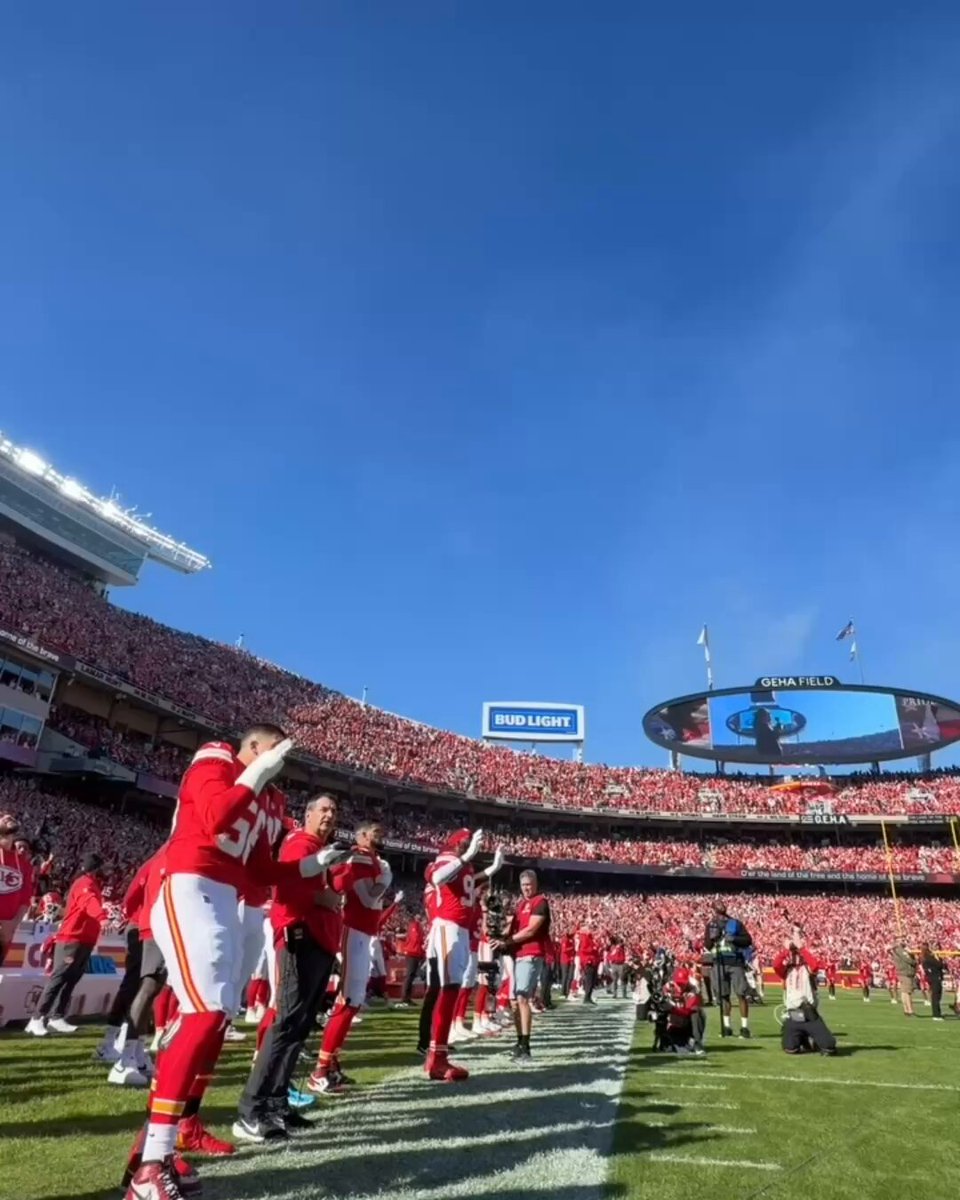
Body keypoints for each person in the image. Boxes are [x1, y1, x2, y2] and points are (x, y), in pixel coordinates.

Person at [122, 726, 339, 1200]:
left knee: (213, 1017)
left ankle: (149, 1150)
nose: (283, 764)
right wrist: (259, 772)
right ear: (257, 748)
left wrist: (313, 862)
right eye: (275, 753)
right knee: (203, 1014)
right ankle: (150, 1166)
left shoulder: (268, 798)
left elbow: (261, 871)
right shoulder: (217, 758)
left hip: (224, 896)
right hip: (187, 883)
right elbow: (218, 815)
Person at [234, 793, 347, 1141]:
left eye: (334, 809)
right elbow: (288, 887)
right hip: (300, 939)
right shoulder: (300, 842)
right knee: (285, 1023)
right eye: (324, 809)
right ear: (308, 813)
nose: (330, 815)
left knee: (298, 1027)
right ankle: (251, 1109)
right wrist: (322, 898)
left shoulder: (319, 848)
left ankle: (277, 1103)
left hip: (319, 943)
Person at [308, 820, 394, 1094]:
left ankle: (331, 1063)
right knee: (348, 1000)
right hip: (353, 929)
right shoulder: (360, 855)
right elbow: (369, 898)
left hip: (362, 931)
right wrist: (385, 879)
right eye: (376, 833)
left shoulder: (370, 857)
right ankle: (320, 1070)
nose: (381, 836)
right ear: (363, 835)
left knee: (353, 1001)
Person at [422, 829, 503, 1081]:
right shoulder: (446, 858)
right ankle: (436, 1058)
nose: (468, 846)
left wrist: (493, 868)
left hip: (458, 931)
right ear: (456, 844)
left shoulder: (463, 867)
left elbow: (471, 879)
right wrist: (466, 856)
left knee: (451, 991)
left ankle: (439, 1055)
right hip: (447, 927)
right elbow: (437, 876)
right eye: (465, 843)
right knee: (447, 992)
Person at [27, 852, 106, 1036]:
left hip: (84, 939)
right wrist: (102, 918)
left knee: (71, 979)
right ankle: (37, 1018)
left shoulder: (90, 884)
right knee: (59, 977)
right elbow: (89, 903)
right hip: (72, 938)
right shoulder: (84, 884)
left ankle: (56, 1016)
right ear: (97, 869)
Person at [493, 869, 550, 1061]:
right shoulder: (520, 904)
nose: (527, 888)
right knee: (515, 1001)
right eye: (524, 885)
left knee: (522, 997)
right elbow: (512, 929)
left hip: (532, 953)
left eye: (529, 884)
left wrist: (506, 942)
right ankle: (519, 1042)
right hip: (519, 955)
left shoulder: (540, 902)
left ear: (536, 884)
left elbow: (531, 931)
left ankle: (526, 1046)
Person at [773, 933, 836, 1055]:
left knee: (829, 1047)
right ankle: (802, 1039)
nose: (795, 955)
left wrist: (801, 948)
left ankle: (816, 1038)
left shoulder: (808, 968)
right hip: (794, 1014)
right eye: (794, 953)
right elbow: (776, 964)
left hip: (809, 1014)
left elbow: (815, 965)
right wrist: (786, 950)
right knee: (790, 1048)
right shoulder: (787, 970)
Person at [704, 900, 753, 1038]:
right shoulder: (711, 925)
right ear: (713, 908)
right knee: (723, 996)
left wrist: (735, 939)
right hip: (719, 962)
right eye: (717, 904)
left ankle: (744, 1027)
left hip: (735, 962)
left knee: (741, 994)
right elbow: (707, 945)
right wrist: (713, 938)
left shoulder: (735, 923)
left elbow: (748, 940)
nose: (721, 906)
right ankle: (726, 1026)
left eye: (722, 904)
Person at [0, 814, 34, 966]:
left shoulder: (24, 865)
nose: (8, 816)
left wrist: (13, 924)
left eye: (10, 816)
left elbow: (25, 899)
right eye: (2, 816)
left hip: (5, 932)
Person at [661, 967, 706, 1056]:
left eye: (682, 983)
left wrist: (690, 996)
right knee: (660, 1013)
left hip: (686, 1023)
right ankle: (664, 1041)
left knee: (697, 1012)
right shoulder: (667, 989)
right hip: (673, 1025)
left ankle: (697, 1042)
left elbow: (692, 1009)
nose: (680, 986)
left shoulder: (693, 990)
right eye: (678, 983)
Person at [397, 911, 426, 1007]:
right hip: (412, 952)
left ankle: (407, 998)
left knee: (412, 975)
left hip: (416, 953)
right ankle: (404, 997)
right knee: (409, 975)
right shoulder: (414, 925)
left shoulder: (418, 926)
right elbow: (415, 938)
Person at [919, 943, 946, 1022]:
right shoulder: (929, 957)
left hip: (933, 978)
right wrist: (937, 957)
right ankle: (936, 1014)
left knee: (936, 996)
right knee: (936, 997)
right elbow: (939, 965)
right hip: (935, 978)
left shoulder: (926, 957)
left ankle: (937, 1013)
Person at [576, 921, 600, 1004]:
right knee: (589, 980)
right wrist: (593, 949)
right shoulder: (584, 938)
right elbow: (583, 949)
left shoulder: (590, 938)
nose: (591, 930)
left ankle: (589, 996)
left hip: (592, 960)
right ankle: (586, 997)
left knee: (592, 980)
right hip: (588, 960)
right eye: (589, 928)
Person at [891, 943, 917, 1016]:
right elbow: (909, 961)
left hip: (902, 973)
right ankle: (910, 1010)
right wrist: (913, 956)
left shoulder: (896, 950)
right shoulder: (901, 951)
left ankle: (906, 1009)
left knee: (904, 992)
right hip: (905, 973)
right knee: (907, 992)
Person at [559, 932, 575, 999]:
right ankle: (563, 992)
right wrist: (572, 948)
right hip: (564, 960)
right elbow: (564, 950)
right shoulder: (565, 939)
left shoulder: (571, 939)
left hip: (570, 960)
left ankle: (567, 991)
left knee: (570, 976)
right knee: (565, 976)